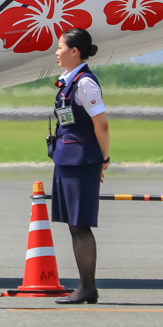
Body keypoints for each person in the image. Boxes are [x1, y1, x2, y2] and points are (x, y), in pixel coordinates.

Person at [50, 27, 110, 305]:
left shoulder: (85, 83)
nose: (57, 52)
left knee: (80, 225)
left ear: (75, 52)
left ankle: (88, 287)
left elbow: (102, 124)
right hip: (67, 158)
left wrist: (104, 158)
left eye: (60, 47)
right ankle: (86, 286)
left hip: (81, 160)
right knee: (75, 225)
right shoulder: (69, 81)